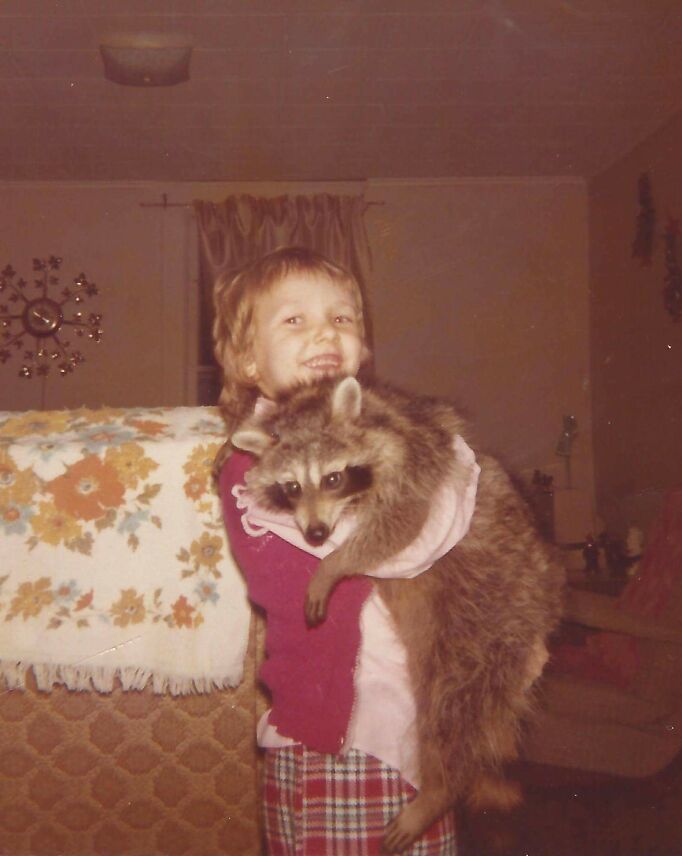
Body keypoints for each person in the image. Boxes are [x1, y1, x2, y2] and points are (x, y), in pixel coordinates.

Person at [214, 246, 477, 854]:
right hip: (338, 738)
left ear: (362, 350)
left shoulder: (365, 426)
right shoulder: (253, 464)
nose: (324, 333)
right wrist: (456, 466)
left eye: (342, 319)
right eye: (294, 321)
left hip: (413, 731)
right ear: (250, 360)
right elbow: (411, 544)